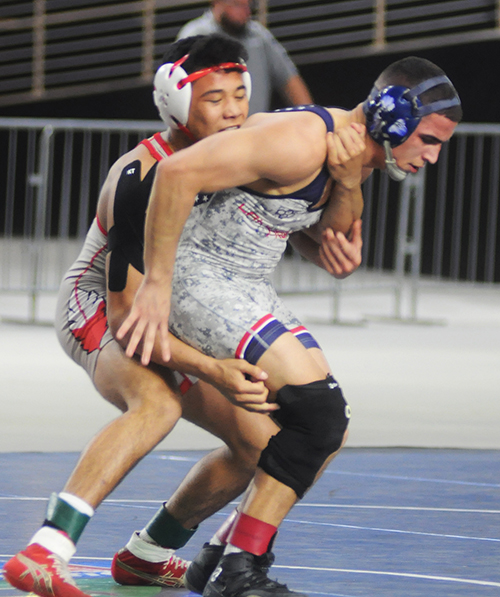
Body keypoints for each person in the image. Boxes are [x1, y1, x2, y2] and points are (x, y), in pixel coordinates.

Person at [2, 34, 359, 597]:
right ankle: (46, 550)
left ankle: (147, 554)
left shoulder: (239, 147)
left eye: (241, 95)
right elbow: (129, 321)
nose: (234, 111)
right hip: (101, 303)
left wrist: (332, 223)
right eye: (214, 100)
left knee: (261, 443)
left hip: (174, 311)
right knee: (158, 403)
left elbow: (280, 223)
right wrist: (215, 371)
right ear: (175, 103)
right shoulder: (142, 177)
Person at [117, 56, 462, 597]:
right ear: (393, 119)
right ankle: (240, 569)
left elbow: (336, 250)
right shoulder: (300, 140)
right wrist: (156, 284)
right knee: (319, 413)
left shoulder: (350, 157)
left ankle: (215, 557)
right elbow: (177, 173)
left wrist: (349, 183)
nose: (434, 157)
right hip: (198, 278)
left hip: (245, 284)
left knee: (326, 431)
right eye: (430, 140)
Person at [177, 0, 313, 115]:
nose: (245, 12)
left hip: (254, 134)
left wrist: (311, 117)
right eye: (237, 5)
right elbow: (181, 89)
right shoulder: (196, 35)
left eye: (248, 5)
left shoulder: (259, 35)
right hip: (212, 137)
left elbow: (290, 80)